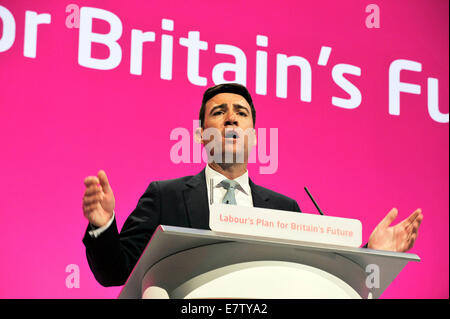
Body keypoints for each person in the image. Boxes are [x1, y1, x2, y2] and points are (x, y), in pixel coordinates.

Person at [82, 83, 423, 287]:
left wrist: (370, 257)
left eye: (241, 113)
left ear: (254, 136)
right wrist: (103, 226)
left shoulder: (285, 208)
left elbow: (314, 277)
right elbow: (116, 272)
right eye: (218, 112)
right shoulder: (164, 195)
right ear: (201, 135)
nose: (231, 117)